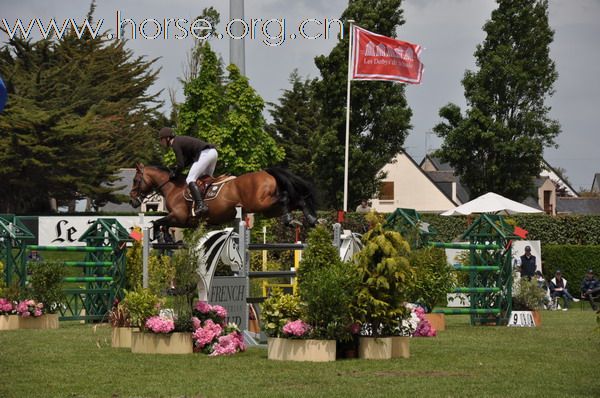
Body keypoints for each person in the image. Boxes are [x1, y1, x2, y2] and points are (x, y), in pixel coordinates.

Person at [158, 127, 218, 214]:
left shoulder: (175, 143)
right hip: (213, 153)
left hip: (205, 154)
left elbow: (181, 164)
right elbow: (188, 161)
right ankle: (211, 202)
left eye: (161, 139)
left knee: (190, 179)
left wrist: (175, 173)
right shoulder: (180, 141)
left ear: (167, 138)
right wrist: (175, 169)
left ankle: (201, 205)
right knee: (205, 180)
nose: (161, 142)